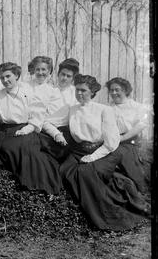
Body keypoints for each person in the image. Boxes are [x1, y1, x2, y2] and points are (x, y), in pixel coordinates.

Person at [60, 74, 149, 230]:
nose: (79, 93)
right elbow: (57, 122)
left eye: (84, 91)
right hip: (77, 151)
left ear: (92, 92)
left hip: (98, 151)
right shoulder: (72, 109)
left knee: (86, 173)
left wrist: (93, 156)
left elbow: (111, 143)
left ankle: (107, 217)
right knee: (65, 170)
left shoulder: (104, 110)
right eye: (77, 90)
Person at [0, 62, 62, 196]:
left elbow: (37, 115)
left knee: (29, 149)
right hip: (6, 131)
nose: (5, 80)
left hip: (26, 128)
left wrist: (28, 129)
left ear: (16, 75)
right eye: (1, 78)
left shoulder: (28, 93)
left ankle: (44, 186)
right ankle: (30, 184)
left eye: (8, 76)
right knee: (11, 147)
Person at [106, 77, 150, 194]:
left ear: (125, 90)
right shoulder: (108, 108)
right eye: (111, 90)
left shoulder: (136, 107)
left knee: (127, 160)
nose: (114, 93)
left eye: (117, 90)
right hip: (113, 141)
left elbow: (141, 124)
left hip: (130, 141)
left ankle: (141, 191)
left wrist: (123, 138)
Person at [40, 58, 80, 161]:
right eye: (63, 74)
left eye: (68, 76)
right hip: (48, 131)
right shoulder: (49, 91)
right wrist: (56, 133)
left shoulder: (76, 93)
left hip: (68, 131)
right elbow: (42, 119)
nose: (64, 78)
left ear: (73, 79)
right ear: (58, 74)